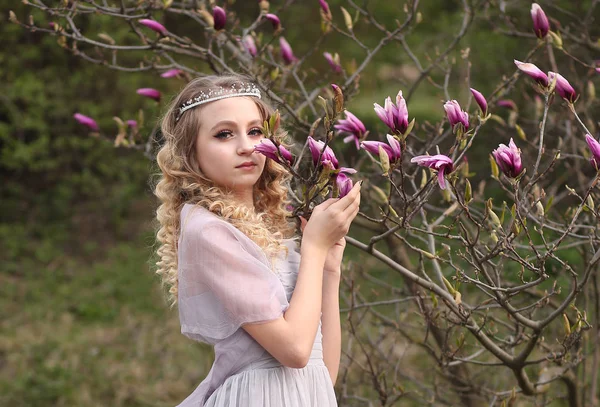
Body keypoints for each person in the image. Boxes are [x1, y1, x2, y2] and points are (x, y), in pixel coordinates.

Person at [154, 73, 361, 407]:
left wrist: (328, 269)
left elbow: (322, 373)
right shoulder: (206, 228)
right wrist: (314, 248)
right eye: (224, 134)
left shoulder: (273, 232)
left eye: (255, 131)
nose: (247, 146)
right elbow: (293, 350)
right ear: (190, 151)